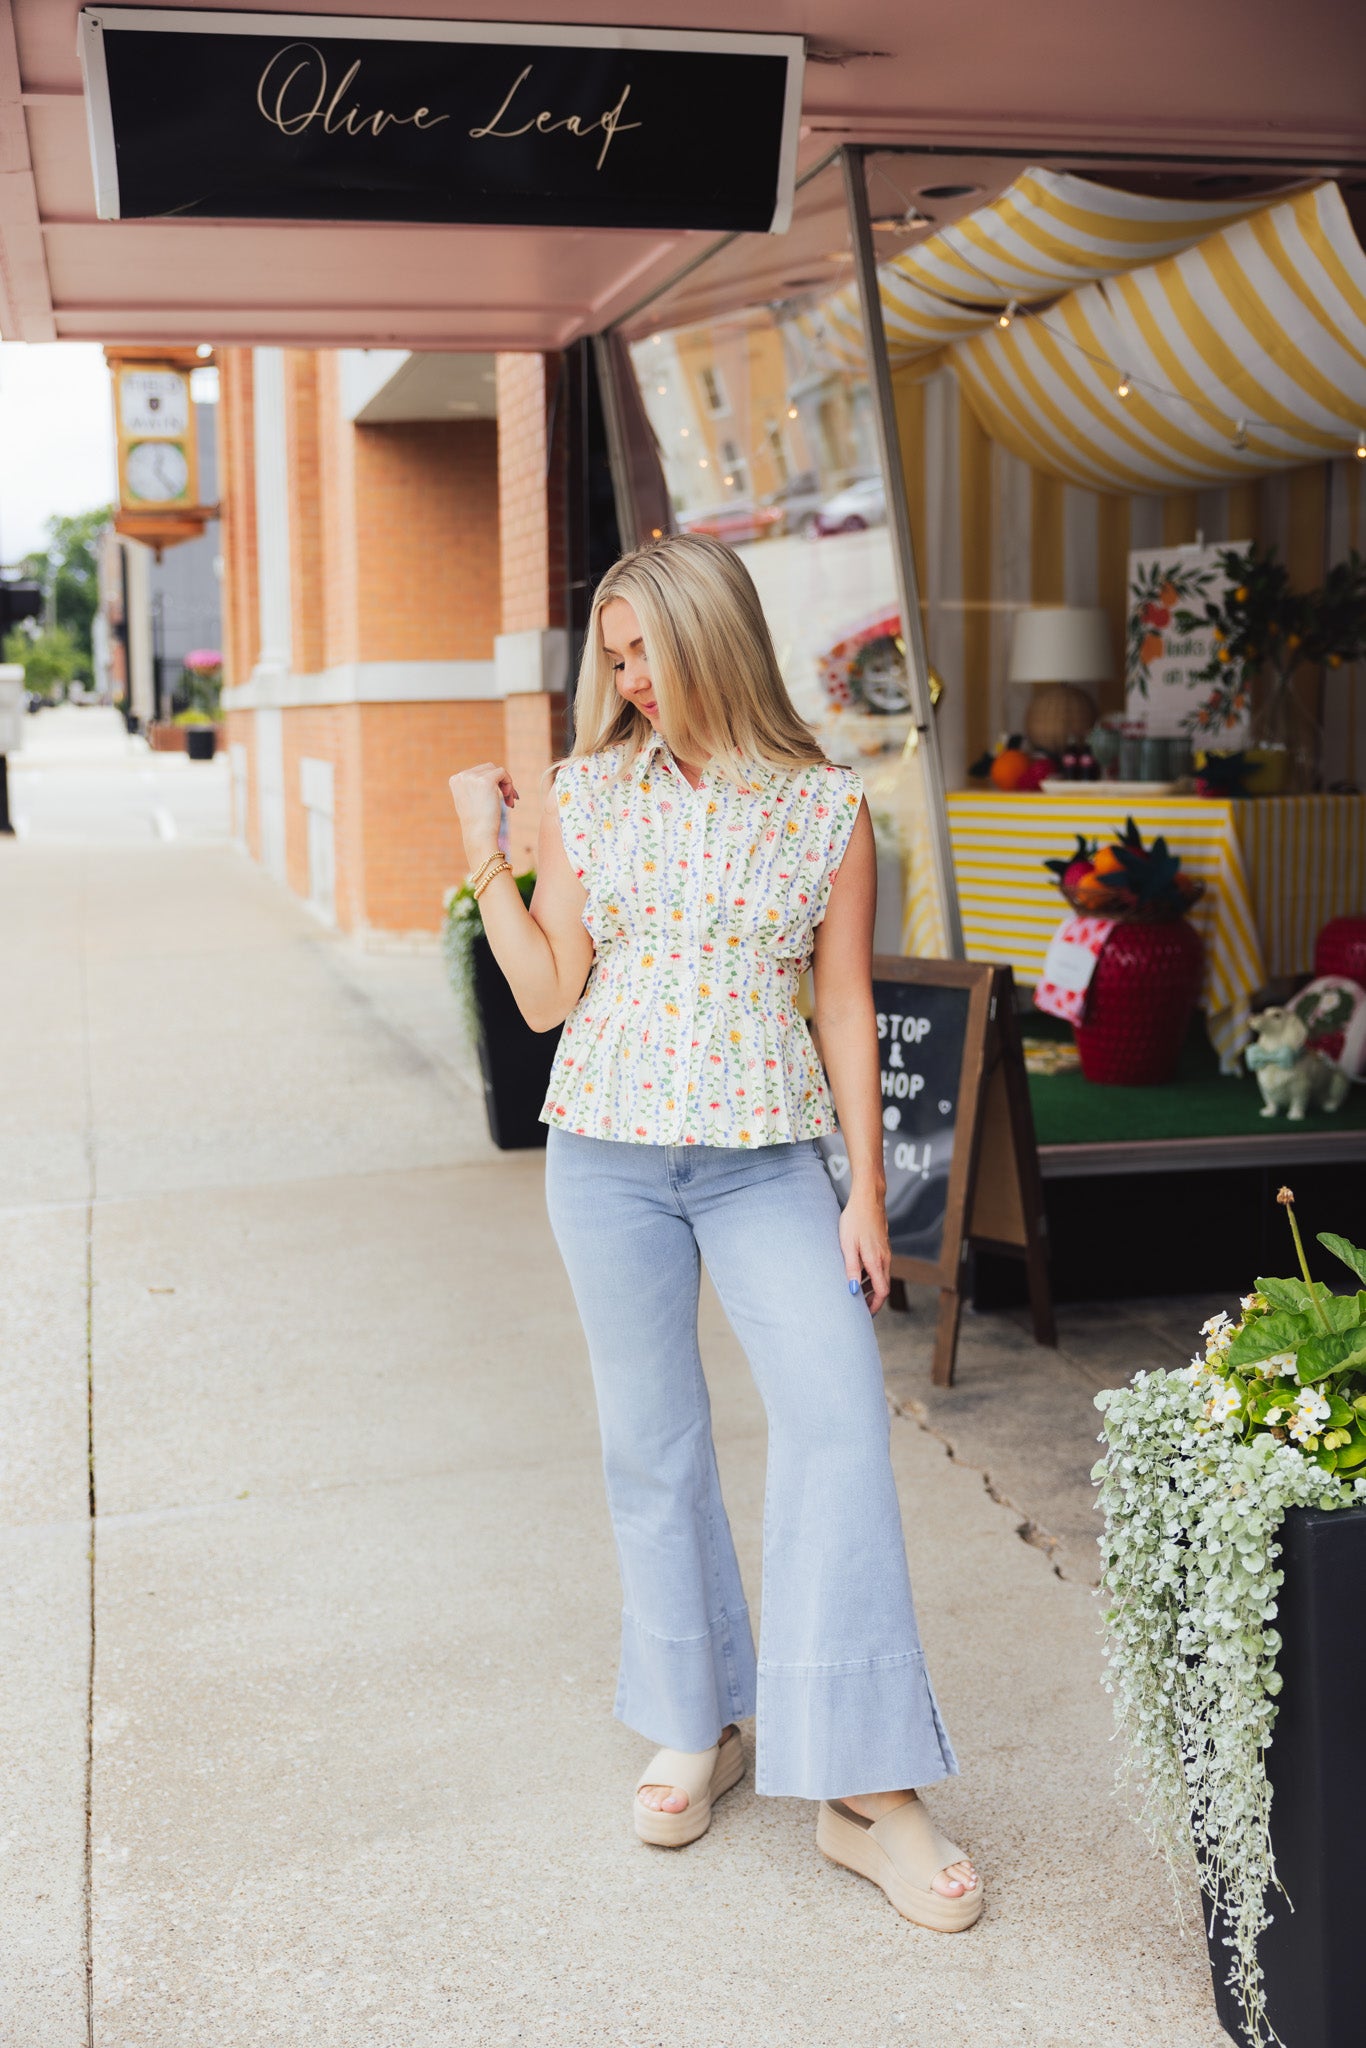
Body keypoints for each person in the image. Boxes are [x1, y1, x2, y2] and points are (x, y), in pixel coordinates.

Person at [448, 534, 981, 1931]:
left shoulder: (825, 806)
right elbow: (551, 997)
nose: (627, 679)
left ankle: (863, 1788)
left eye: (646, 653)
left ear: (714, 643)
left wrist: (868, 1191)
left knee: (837, 1424)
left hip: (764, 1166)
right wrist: (486, 862)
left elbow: (846, 1004)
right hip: (607, 1159)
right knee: (652, 1441)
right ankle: (700, 1718)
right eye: (609, 657)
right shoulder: (589, 793)